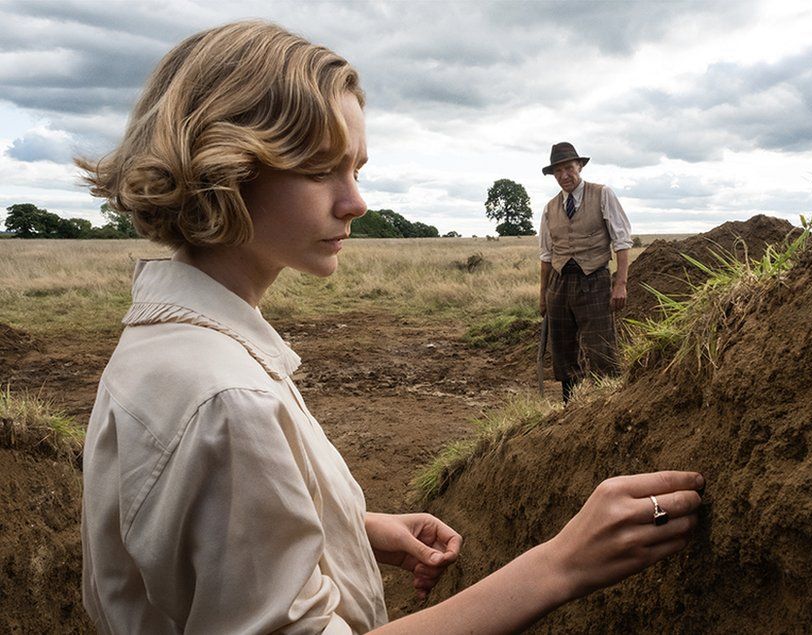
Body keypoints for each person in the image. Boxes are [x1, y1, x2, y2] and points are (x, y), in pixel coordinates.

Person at [78, 21, 703, 634]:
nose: (356, 202)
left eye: (358, 169)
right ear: (226, 166)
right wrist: (562, 566)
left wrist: (351, 525)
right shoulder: (225, 401)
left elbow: (196, 544)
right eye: (321, 169)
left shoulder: (167, 345)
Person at [539, 142, 633, 402]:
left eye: (568, 168)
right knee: (563, 351)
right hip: (559, 285)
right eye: (558, 171)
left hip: (594, 281)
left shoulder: (602, 194)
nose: (564, 176)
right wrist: (543, 296)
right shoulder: (550, 208)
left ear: (579, 166)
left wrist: (621, 283)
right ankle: (571, 407)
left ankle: (610, 403)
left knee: (601, 346)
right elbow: (546, 256)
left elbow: (622, 241)